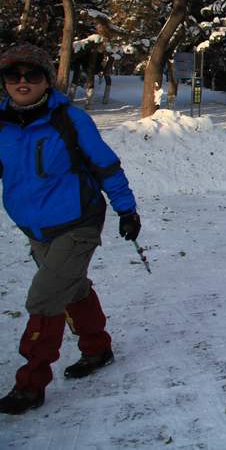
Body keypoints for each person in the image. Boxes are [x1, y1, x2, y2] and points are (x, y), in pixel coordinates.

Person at [0, 43, 140, 415]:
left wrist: (127, 209)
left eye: (33, 74)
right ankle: (97, 348)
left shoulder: (69, 120)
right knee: (72, 287)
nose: (23, 82)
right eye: (14, 75)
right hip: (35, 228)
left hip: (78, 222)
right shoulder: (1, 124)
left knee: (45, 298)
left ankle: (30, 383)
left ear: (48, 80)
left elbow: (106, 165)